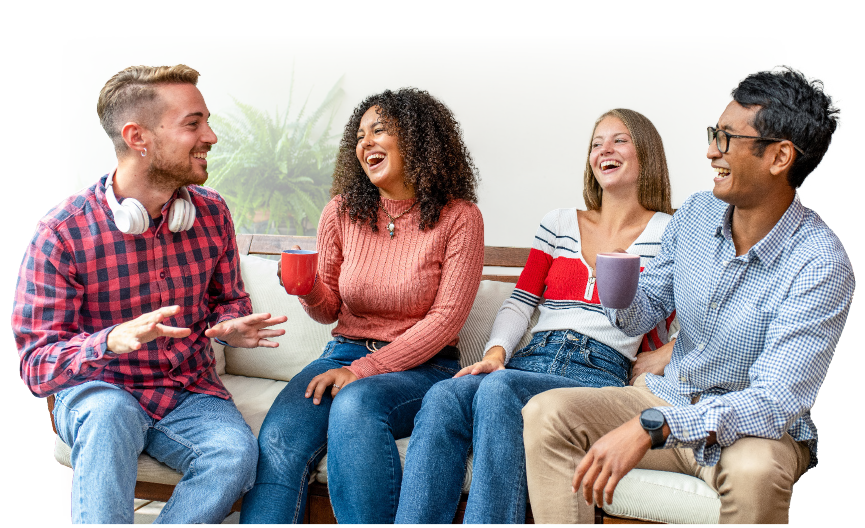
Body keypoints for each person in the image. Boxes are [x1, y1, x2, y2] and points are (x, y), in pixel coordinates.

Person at [522, 65, 853, 525]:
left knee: (758, 469)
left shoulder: (820, 263)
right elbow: (645, 312)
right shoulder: (698, 213)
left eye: (726, 139)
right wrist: (618, 287)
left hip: (752, 431)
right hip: (667, 398)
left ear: (779, 157)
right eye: (714, 133)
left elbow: (775, 400)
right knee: (547, 412)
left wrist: (653, 428)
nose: (710, 150)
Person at [12, 63, 288, 525]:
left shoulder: (212, 212)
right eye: (193, 123)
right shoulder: (61, 233)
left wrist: (230, 325)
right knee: (110, 416)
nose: (212, 136)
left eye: (208, 121)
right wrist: (110, 340)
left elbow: (229, 300)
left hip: (189, 391)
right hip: (102, 390)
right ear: (138, 137)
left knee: (235, 457)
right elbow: (37, 368)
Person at [395, 108, 677, 525]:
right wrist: (495, 354)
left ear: (646, 154)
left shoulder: (670, 232)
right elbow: (521, 301)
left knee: (499, 392)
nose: (604, 151)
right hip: (530, 360)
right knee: (443, 397)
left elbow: (701, 315)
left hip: (597, 371)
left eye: (619, 140)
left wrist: (666, 353)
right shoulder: (558, 223)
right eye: (596, 144)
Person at [238, 87, 485, 525]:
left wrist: (363, 372)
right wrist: (307, 287)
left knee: (355, 404)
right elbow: (328, 307)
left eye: (380, 131)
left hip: (423, 366)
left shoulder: (460, 217)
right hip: (343, 352)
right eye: (360, 135)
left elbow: (446, 322)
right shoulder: (341, 212)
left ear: (417, 140)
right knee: (279, 438)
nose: (365, 143)